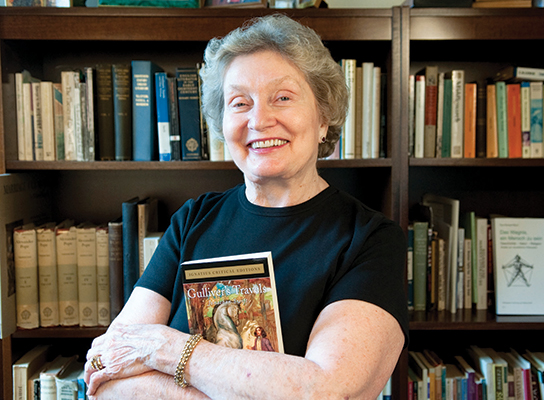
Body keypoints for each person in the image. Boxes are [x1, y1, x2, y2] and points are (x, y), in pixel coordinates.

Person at [84, 13, 408, 400]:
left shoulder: (371, 241)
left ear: (324, 117)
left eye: (282, 98)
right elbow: (106, 374)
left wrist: (164, 348)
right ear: (223, 123)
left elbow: (325, 391)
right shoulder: (192, 220)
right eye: (240, 103)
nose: (259, 119)